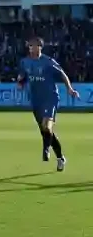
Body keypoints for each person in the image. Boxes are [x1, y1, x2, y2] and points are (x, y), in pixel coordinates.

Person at [17, 37, 79, 171]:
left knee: (47, 124)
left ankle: (45, 150)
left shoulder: (48, 62)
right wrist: (20, 83)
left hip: (50, 98)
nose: (31, 48)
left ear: (40, 47)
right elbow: (23, 76)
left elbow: (62, 74)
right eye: (29, 46)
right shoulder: (25, 62)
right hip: (35, 100)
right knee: (47, 131)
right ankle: (60, 158)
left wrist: (69, 88)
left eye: (33, 46)